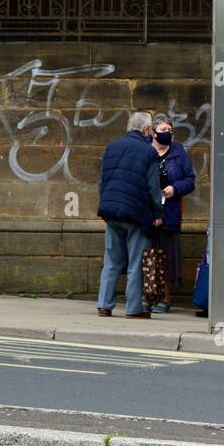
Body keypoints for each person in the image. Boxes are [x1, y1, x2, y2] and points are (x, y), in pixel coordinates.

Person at [96, 111, 164, 319]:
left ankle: (104, 305)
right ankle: (133, 308)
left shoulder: (112, 146)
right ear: (145, 130)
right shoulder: (148, 152)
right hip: (136, 213)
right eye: (151, 129)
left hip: (111, 210)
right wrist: (158, 213)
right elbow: (153, 188)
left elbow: (103, 181)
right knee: (136, 262)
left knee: (112, 260)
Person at [145, 113, 197, 314]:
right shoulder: (145, 151)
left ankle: (165, 299)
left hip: (170, 212)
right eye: (163, 130)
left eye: (170, 130)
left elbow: (190, 179)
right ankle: (150, 296)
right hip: (149, 211)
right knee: (150, 256)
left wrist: (175, 188)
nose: (167, 134)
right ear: (153, 132)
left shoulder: (178, 152)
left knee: (167, 257)